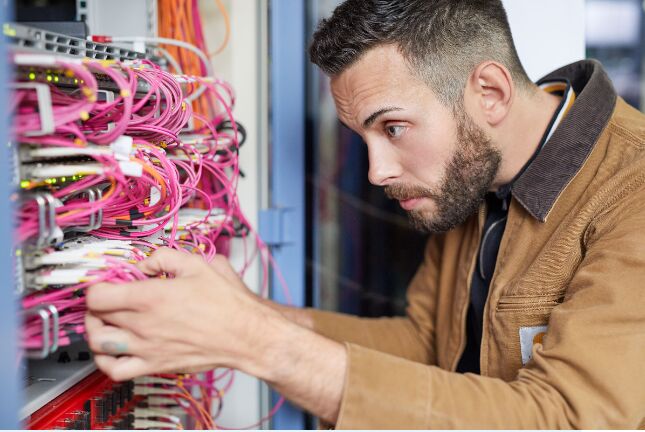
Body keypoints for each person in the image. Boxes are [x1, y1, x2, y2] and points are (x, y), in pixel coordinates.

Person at [85, 0, 645, 428]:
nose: (377, 171)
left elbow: (568, 419)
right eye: (364, 137)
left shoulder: (632, 189)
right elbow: (427, 343)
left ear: (490, 92)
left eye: (393, 128)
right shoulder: (471, 177)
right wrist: (248, 312)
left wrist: (257, 341)